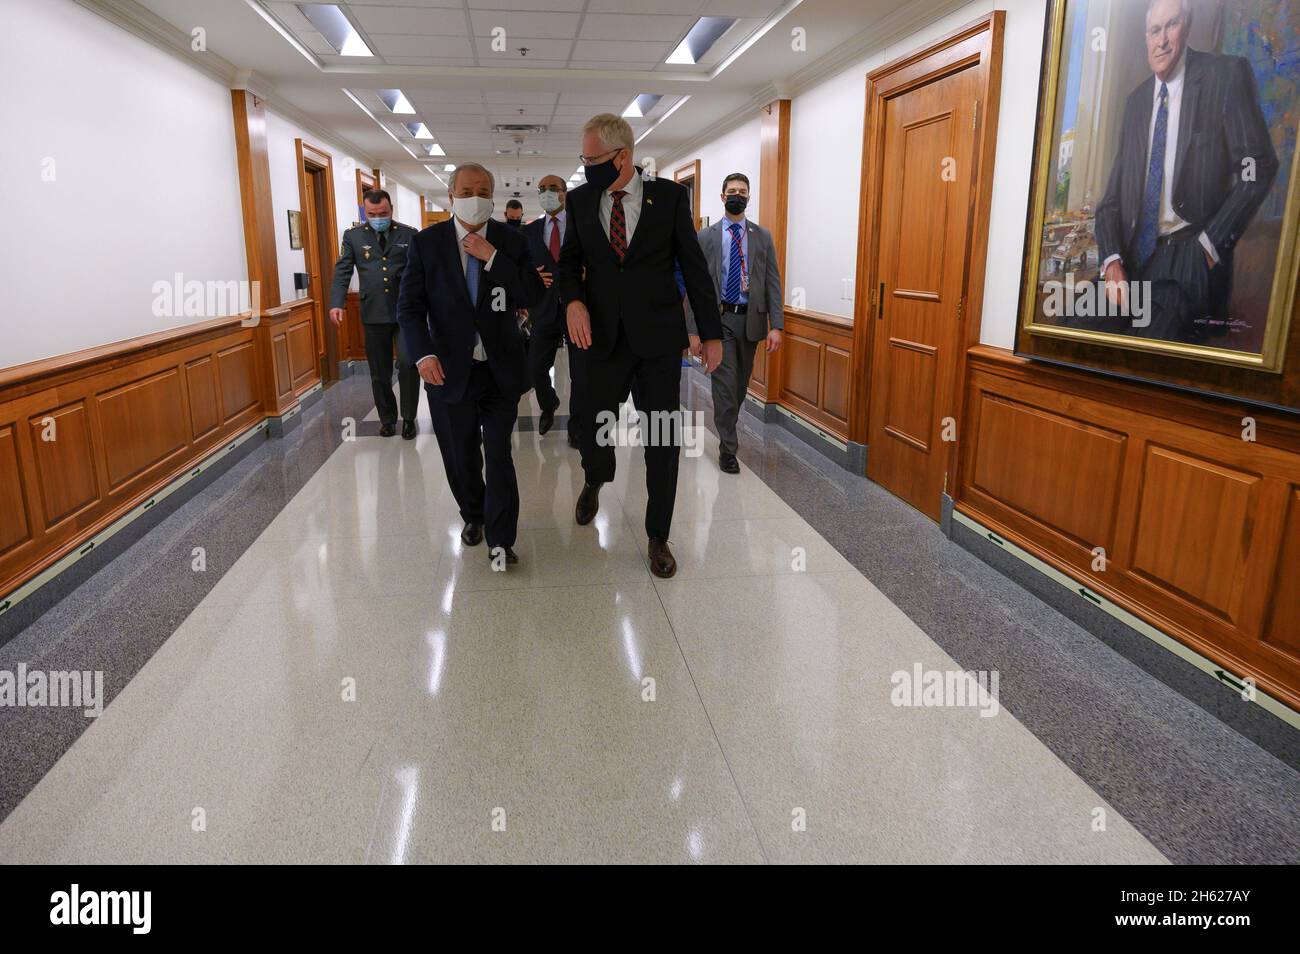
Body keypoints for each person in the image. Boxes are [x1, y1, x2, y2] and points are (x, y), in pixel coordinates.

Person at [558, 114, 722, 579]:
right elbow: (569, 262)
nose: (586, 166)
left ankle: (657, 537)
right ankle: (594, 478)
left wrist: (710, 333)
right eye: (584, 159)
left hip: (657, 344)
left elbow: (693, 269)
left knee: (662, 441)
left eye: (592, 159)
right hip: (602, 342)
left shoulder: (669, 198)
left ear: (622, 156)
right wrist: (572, 300)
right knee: (595, 430)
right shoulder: (582, 199)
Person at [1094, 0, 1277, 342]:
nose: (1161, 40)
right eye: (1154, 30)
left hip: (1187, 259)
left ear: (1187, 26)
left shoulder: (1224, 76)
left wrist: (1208, 247)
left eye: (1171, 25)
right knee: (1073, 328)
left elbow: (1258, 165)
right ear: (1146, 38)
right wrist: (1112, 262)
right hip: (1131, 261)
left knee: (1144, 351)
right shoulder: (1136, 103)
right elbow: (1111, 201)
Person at [397, 163, 545, 567]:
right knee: (460, 456)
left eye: (483, 190)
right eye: (466, 190)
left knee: (498, 454)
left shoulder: (511, 241)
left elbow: (532, 291)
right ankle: (473, 515)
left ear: (493, 197)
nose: (474, 197)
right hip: (447, 370)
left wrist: (494, 257)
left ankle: (502, 539)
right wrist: (423, 354)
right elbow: (409, 308)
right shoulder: (426, 244)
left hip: (500, 371)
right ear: (451, 196)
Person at [685, 173, 783, 474]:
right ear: (722, 196)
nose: (737, 195)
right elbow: (693, 287)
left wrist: (776, 325)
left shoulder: (762, 237)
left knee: (740, 386)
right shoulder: (705, 237)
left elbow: (772, 282)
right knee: (725, 387)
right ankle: (728, 448)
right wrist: (693, 330)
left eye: (742, 191)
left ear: (749, 197)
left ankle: (728, 425)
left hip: (750, 322)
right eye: (732, 191)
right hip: (719, 321)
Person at [329, 189, 420, 439]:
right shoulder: (353, 236)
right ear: (365, 211)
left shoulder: (409, 234)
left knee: (407, 363)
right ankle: (388, 419)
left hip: (405, 311)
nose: (378, 217)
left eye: (384, 213)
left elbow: (421, 272)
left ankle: (410, 418)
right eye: (372, 214)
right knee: (379, 371)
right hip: (374, 311)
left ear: (391, 209)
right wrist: (337, 303)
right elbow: (343, 271)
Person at [523, 175, 586, 448]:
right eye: (542, 190)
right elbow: (519, 266)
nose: (547, 193)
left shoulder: (582, 225)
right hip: (543, 309)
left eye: (553, 189)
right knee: (536, 368)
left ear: (564, 193)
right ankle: (548, 403)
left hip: (576, 309)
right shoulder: (530, 231)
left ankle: (576, 426)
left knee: (580, 373)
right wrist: (529, 274)